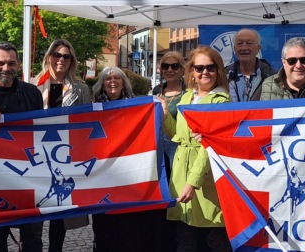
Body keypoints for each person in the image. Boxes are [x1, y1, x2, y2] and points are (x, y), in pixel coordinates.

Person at [160, 45, 232, 251]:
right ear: (191, 71)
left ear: (218, 70)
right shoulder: (186, 97)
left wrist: (193, 183)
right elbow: (177, 135)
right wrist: (165, 116)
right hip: (181, 173)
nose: (204, 73)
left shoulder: (221, 101)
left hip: (206, 179)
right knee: (185, 238)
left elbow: (209, 147)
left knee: (214, 239)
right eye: (199, 68)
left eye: (210, 67)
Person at [0, 41, 44, 252]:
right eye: (1, 63)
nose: (6, 68)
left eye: (11, 63)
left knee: (32, 237)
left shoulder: (32, 93)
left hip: (28, 177)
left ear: (18, 65)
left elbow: (41, 131)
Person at [33, 39, 91, 252]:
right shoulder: (33, 85)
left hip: (65, 156)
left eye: (66, 56)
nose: (61, 59)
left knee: (60, 208)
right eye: (57, 54)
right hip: (38, 154)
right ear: (49, 57)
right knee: (35, 208)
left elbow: (87, 124)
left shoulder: (81, 89)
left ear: (72, 61)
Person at [91, 67, 152, 252]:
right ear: (102, 84)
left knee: (129, 230)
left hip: (128, 176)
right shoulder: (92, 108)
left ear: (123, 82)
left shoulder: (135, 106)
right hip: (102, 177)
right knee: (104, 229)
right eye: (108, 78)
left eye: (117, 78)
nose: (112, 81)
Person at [151, 51, 186, 251]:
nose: (170, 70)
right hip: (160, 154)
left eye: (174, 66)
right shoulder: (156, 90)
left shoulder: (189, 93)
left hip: (179, 153)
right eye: (166, 66)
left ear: (182, 69)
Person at [225, 28, 276, 102]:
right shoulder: (224, 75)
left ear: (258, 48)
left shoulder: (271, 76)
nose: (244, 47)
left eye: (249, 43)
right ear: (235, 49)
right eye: (239, 43)